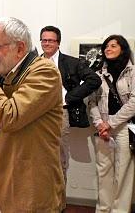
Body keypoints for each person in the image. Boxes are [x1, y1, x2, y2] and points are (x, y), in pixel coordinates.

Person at [0, 17, 65, 212]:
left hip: (30, 182)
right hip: (4, 177)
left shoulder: (44, 71)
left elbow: (9, 117)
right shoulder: (6, 73)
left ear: (20, 48)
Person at [40, 26, 101, 183]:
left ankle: (59, 202)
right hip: (37, 116)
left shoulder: (72, 62)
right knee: (39, 159)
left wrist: (68, 97)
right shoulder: (35, 63)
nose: (46, 43)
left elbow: (94, 80)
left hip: (60, 114)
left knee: (59, 158)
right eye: (44, 40)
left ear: (58, 43)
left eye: (50, 40)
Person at [88, 35, 135, 213]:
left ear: (123, 49)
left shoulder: (133, 72)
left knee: (122, 174)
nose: (108, 48)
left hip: (124, 128)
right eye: (106, 46)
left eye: (113, 45)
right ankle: (103, 210)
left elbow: (134, 102)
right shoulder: (99, 74)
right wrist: (100, 123)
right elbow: (91, 102)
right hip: (102, 130)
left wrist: (111, 123)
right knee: (103, 173)